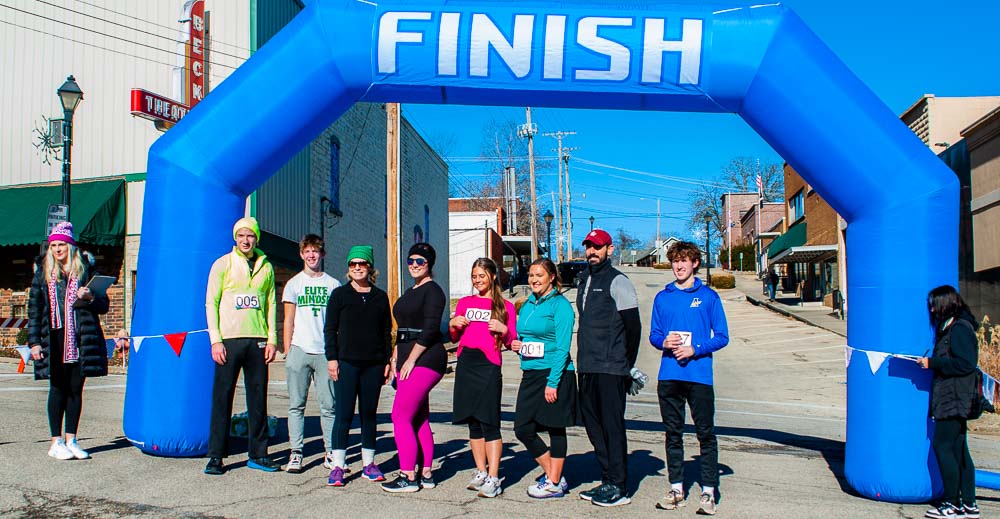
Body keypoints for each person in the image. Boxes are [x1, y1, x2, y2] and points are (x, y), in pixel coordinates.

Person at [649, 240, 730, 515]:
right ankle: (676, 488)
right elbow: (654, 335)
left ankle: (708, 492)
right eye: (675, 261)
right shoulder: (663, 297)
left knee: (705, 434)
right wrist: (664, 342)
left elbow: (722, 337)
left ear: (695, 263)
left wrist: (695, 349)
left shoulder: (708, 297)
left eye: (684, 261)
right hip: (669, 375)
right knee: (673, 434)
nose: (679, 266)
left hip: (699, 376)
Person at [27, 221, 109, 460]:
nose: (57, 250)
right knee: (57, 388)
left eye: (61, 245)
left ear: (70, 246)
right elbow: (35, 310)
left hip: (79, 338)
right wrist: (34, 342)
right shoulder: (43, 274)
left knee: (75, 389)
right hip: (53, 337)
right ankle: (56, 441)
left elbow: (104, 305)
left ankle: (72, 439)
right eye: (53, 246)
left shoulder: (85, 271)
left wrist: (90, 297)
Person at [204, 217, 280, 475]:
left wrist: (272, 339)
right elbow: (211, 303)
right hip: (229, 340)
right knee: (222, 397)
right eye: (241, 236)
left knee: (258, 398)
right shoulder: (222, 264)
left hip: (257, 340)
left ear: (256, 238)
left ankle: (259, 454)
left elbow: (271, 304)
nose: (246, 241)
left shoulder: (266, 266)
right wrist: (216, 340)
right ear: (235, 238)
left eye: (250, 236)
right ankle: (216, 456)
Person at [575, 229, 642, 507]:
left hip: (611, 367)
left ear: (609, 249)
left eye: (597, 247)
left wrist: (626, 366)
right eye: (589, 246)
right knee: (593, 426)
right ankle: (607, 480)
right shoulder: (584, 280)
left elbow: (633, 328)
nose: (592, 251)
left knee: (612, 427)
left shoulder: (618, 281)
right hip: (587, 366)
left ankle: (619, 486)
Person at [381, 243, 448, 493]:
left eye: (420, 261)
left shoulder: (434, 291)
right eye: (411, 260)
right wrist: (395, 357)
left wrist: (411, 360)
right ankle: (426, 473)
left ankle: (408, 476)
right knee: (418, 417)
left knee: (400, 416)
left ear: (429, 263)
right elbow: (402, 331)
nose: (414, 265)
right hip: (406, 356)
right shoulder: (411, 291)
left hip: (427, 358)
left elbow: (430, 330)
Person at [324, 245, 392, 487]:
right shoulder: (339, 295)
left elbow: (386, 332)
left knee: (369, 415)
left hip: (373, 365)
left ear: (370, 267)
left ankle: (369, 464)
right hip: (346, 364)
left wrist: (387, 361)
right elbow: (330, 329)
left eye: (362, 263)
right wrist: (332, 358)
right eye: (353, 264)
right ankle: (338, 466)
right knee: (343, 414)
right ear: (348, 268)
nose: (357, 268)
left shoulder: (380, 297)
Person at [449, 257, 517, 498]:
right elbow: (454, 337)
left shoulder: (505, 307)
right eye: (474, 276)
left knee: (490, 422)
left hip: (488, 366)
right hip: (466, 363)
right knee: (473, 422)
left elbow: (511, 341)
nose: (477, 280)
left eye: (481, 275)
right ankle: (481, 471)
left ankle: (494, 477)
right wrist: (453, 323)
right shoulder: (464, 303)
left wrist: (503, 330)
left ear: (493, 276)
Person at [511, 258, 577, 499]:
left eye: (539, 275)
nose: (534, 279)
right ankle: (554, 475)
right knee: (522, 428)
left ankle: (553, 481)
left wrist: (553, 382)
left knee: (555, 427)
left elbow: (562, 348)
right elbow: (526, 337)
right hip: (531, 372)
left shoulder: (561, 305)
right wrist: (519, 346)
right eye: (531, 275)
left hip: (554, 372)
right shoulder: (528, 303)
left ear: (552, 277)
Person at [917, 286, 980, 519]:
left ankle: (952, 504)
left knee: (942, 447)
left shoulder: (959, 329)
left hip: (954, 398)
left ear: (946, 303)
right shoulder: (950, 327)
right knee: (959, 450)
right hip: (953, 397)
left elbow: (966, 363)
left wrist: (932, 363)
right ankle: (969, 504)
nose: (932, 310)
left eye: (934, 305)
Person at [281, 234, 340, 473]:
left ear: (322, 254)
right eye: (307, 251)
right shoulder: (294, 284)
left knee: (329, 405)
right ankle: (296, 452)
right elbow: (288, 319)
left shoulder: (333, 284)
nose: (311, 255)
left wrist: (336, 352)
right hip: (299, 350)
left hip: (325, 352)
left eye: (315, 251)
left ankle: (331, 452)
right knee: (296, 405)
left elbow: (337, 323)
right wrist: (288, 350)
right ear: (301, 254)